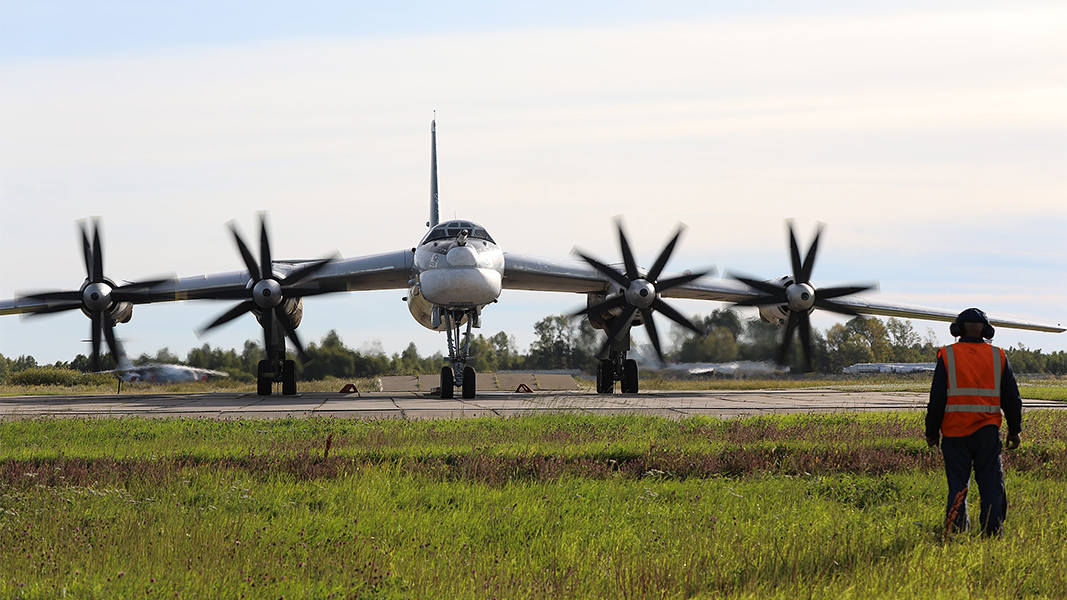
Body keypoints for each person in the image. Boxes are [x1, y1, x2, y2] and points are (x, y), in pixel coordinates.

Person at [926, 308, 1021, 537]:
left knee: (957, 487)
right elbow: (1012, 397)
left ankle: (957, 532)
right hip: (987, 433)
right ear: (987, 331)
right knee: (991, 485)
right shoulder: (998, 355)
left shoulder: (947, 355)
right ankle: (992, 532)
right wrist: (1014, 430)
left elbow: (937, 399)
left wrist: (931, 432)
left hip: (954, 432)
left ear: (957, 329)